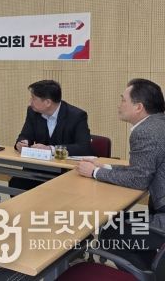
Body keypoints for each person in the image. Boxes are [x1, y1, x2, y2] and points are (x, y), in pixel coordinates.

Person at [77, 78, 165, 269]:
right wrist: (105, 168)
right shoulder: (159, 124)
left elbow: (138, 180)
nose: (119, 105)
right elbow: (140, 170)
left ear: (138, 107)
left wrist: (95, 173)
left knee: (110, 231)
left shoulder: (146, 131)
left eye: (123, 100)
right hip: (160, 209)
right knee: (116, 221)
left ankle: (146, 272)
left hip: (162, 220)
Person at [10, 80, 91, 191]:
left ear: (48, 102)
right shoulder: (33, 112)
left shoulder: (76, 116)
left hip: (65, 170)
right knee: (16, 183)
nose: (30, 102)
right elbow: (25, 135)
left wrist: (50, 149)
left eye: (33, 98)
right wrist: (22, 143)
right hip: (39, 168)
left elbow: (84, 147)